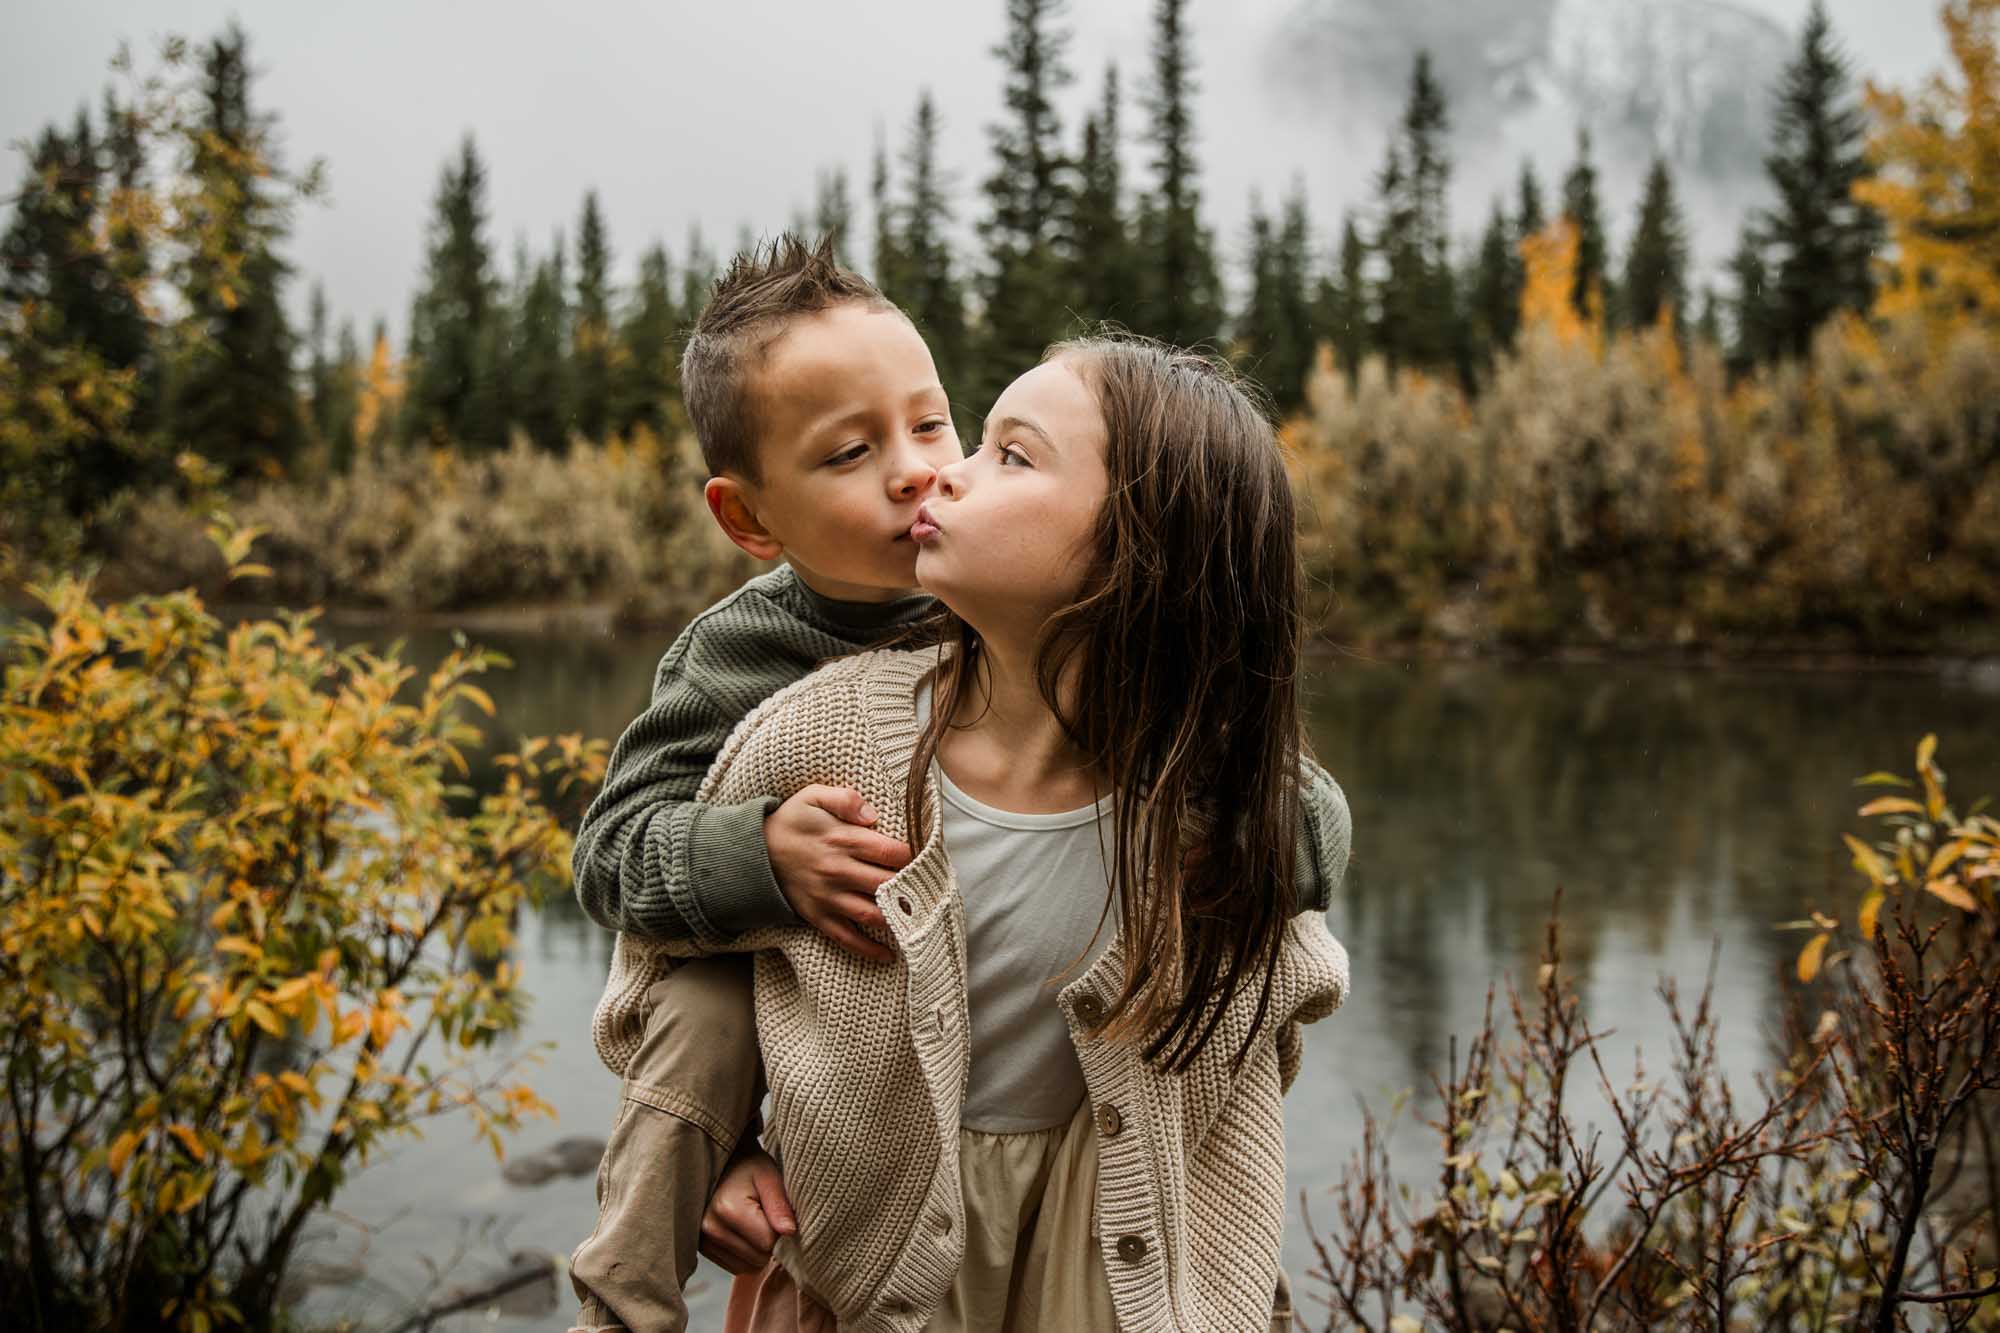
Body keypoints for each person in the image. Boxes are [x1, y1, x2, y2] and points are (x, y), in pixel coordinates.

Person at [591, 336, 1352, 1332]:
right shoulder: (802, 729)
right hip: (862, 1265)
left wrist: (1254, 846)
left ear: (1140, 548)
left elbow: (1279, 992)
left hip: (1103, 1270)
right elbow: (669, 960)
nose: (934, 473)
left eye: (1006, 452)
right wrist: (731, 1142)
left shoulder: (1214, 806)